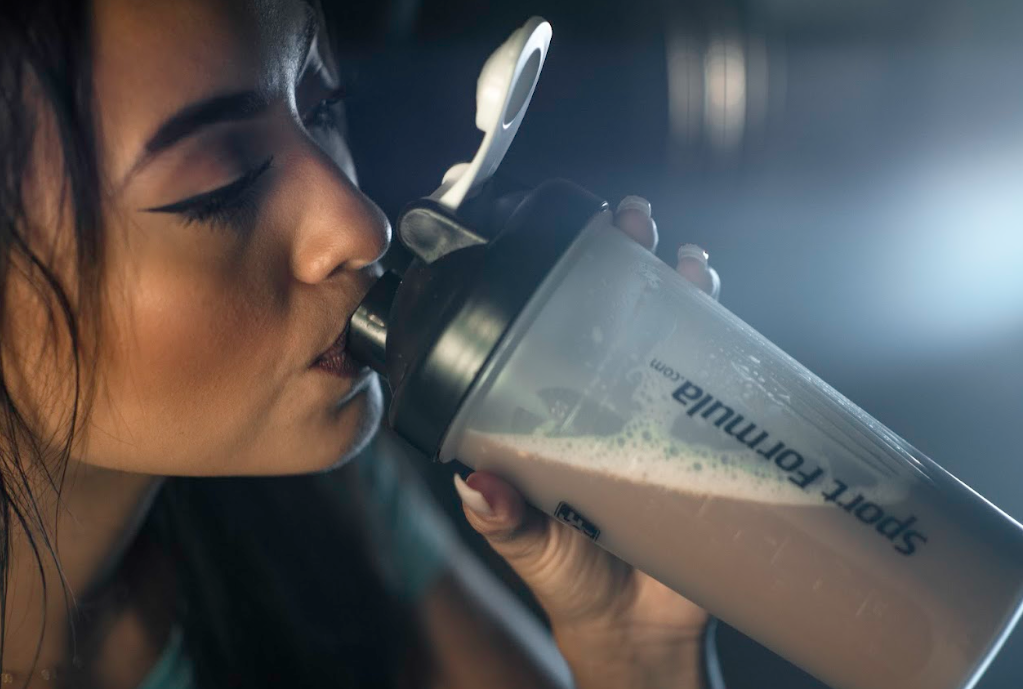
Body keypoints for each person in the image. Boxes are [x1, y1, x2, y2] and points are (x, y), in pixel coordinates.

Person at [0, 1, 721, 687]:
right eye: (224, 183)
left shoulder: (324, 501)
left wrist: (632, 646)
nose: (362, 224)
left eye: (320, 112)